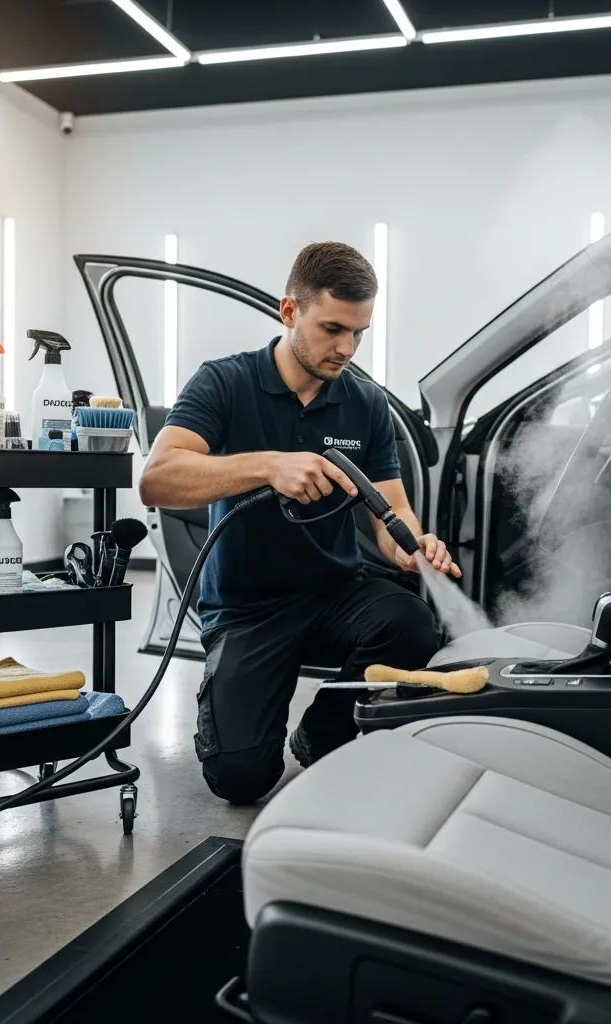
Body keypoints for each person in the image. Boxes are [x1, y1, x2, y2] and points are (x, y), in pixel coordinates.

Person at [139, 241, 461, 803]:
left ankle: (323, 732)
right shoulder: (225, 383)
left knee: (411, 623)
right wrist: (268, 466)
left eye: (359, 333)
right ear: (289, 311)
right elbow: (157, 479)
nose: (346, 348)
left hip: (334, 592)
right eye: (332, 329)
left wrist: (411, 546)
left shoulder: (365, 404)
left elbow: (391, 511)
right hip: (248, 608)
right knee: (241, 778)